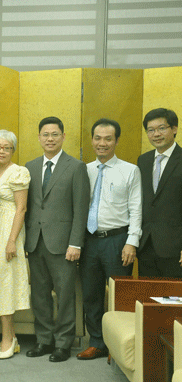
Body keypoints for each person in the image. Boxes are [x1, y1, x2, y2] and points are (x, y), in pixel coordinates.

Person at [24, 116, 90, 363]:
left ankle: (63, 343)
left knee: (64, 295)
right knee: (39, 295)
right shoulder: (29, 167)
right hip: (35, 242)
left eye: (54, 134)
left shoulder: (76, 167)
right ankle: (43, 340)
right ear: (39, 137)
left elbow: (80, 208)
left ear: (63, 136)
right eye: (45, 134)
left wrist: (76, 243)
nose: (49, 139)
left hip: (64, 245)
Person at [77, 118, 141, 360]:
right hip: (89, 240)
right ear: (92, 140)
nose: (101, 143)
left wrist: (131, 242)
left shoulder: (130, 170)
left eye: (108, 138)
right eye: (97, 138)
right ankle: (96, 342)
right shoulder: (84, 170)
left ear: (116, 141)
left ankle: (119, 345)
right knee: (91, 294)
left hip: (118, 240)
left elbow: (136, 209)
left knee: (118, 294)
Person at [0, 130, 30, 359]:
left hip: (9, 231)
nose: (1, 151)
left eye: (6, 148)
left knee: (6, 283)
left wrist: (12, 241)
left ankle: (8, 339)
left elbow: (21, 208)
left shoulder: (18, 172)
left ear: (13, 150)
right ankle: (9, 338)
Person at [137, 108, 182, 278]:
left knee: (173, 301)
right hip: (146, 245)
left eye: (162, 128)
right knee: (148, 300)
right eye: (151, 130)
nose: (156, 134)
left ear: (174, 129)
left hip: (175, 249)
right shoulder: (144, 160)